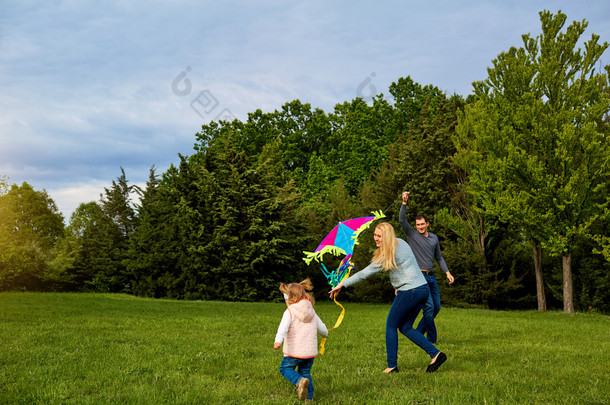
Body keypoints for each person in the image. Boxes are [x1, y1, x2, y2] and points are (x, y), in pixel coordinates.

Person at [329, 222, 447, 374]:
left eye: (379, 236)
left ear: (387, 236)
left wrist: (342, 284)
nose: (376, 238)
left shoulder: (386, 254)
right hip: (422, 289)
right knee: (405, 327)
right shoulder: (402, 243)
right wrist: (398, 286)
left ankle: (392, 366)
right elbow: (406, 266)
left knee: (391, 325)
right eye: (375, 235)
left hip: (410, 291)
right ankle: (436, 354)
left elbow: (364, 273)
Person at [399, 191, 454, 344]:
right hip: (419, 277)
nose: (420, 227)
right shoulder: (412, 235)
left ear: (427, 224)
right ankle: (431, 340)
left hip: (431, 276)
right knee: (428, 307)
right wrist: (404, 203)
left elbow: (439, 257)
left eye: (422, 224)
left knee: (436, 307)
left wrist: (447, 272)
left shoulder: (434, 238)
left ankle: (418, 332)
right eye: (418, 225)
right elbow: (402, 220)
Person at [274, 279, 328, 402]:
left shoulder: (290, 311)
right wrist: (326, 334)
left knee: (285, 369)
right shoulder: (312, 311)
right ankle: (308, 398)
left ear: (290, 297)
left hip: (294, 352)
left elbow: (282, 328)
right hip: (309, 353)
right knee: (305, 372)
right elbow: (322, 329)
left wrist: (278, 341)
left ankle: (299, 381)